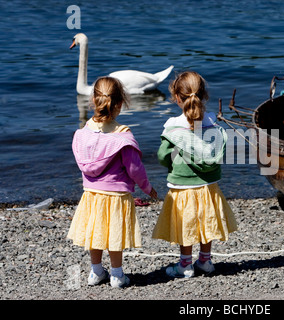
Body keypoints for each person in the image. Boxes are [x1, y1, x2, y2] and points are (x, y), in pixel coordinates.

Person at [67, 76, 158, 288]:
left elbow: (82, 160)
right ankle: (117, 275)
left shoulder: (82, 133)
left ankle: (96, 272)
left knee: (95, 234)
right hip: (116, 196)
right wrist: (148, 188)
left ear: (93, 100)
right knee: (114, 235)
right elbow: (135, 169)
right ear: (120, 103)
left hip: (91, 194)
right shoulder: (122, 136)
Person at [152, 71, 238, 278]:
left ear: (176, 97)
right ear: (204, 95)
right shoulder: (213, 125)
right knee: (206, 221)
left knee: (186, 224)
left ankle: (185, 265)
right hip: (209, 185)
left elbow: (163, 156)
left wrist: (172, 163)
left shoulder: (174, 127)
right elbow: (220, 153)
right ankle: (205, 261)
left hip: (183, 187)